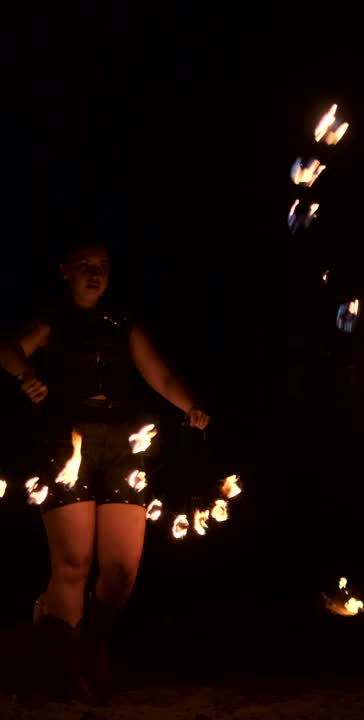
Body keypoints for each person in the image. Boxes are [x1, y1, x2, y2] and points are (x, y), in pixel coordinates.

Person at [0, 239, 210, 702]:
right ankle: (66, 661)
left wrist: (190, 404)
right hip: (66, 441)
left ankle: (91, 638)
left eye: (103, 267)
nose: (95, 274)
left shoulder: (123, 322)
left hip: (123, 445)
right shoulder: (52, 320)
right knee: (73, 562)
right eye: (85, 266)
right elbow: (9, 347)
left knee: (120, 570)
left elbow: (161, 375)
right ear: (64, 271)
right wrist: (25, 376)